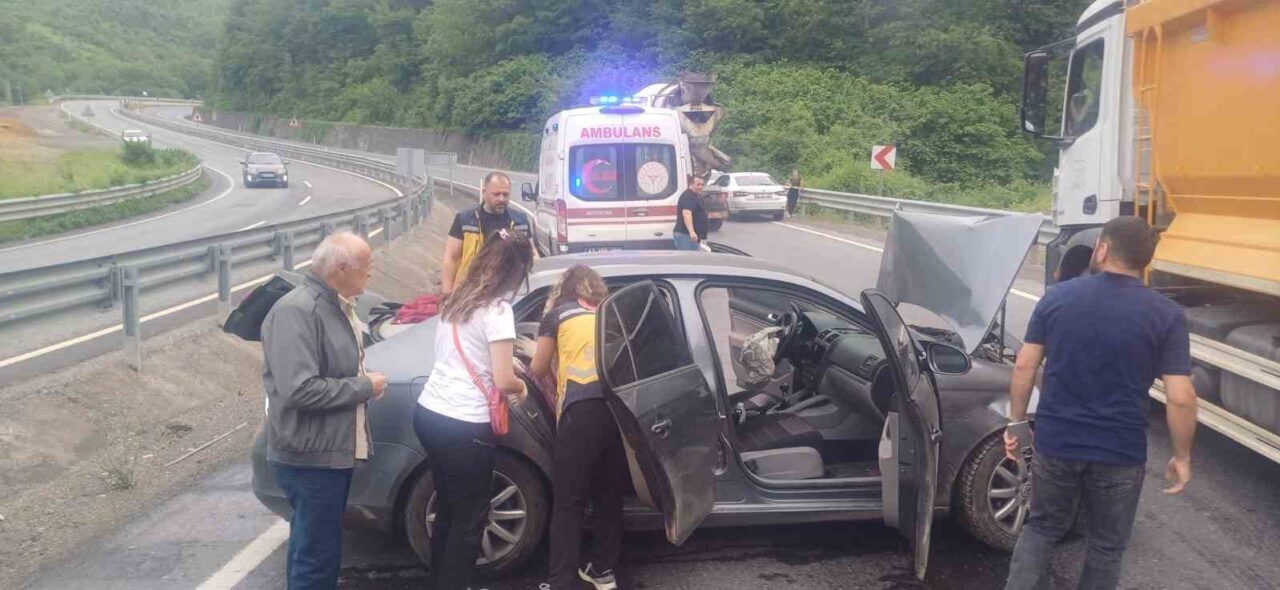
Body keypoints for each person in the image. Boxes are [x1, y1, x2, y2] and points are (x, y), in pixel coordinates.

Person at [1003, 216, 1198, 590]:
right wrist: (1182, 455)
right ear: (1145, 261)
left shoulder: (1058, 298)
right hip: (1120, 451)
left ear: (1103, 249)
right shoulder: (1166, 314)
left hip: (1057, 442)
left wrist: (1015, 423)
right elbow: (1181, 397)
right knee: (1107, 545)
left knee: (1042, 527)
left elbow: (1025, 366)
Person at [260, 231, 389, 590]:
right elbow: (299, 389)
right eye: (366, 267)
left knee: (313, 548)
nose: (370, 274)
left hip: (326, 452)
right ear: (342, 268)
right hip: (309, 457)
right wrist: (364, 387)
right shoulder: (298, 311)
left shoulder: (334, 304)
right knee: (316, 557)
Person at [415, 229, 534, 590]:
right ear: (515, 273)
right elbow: (501, 379)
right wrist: (522, 385)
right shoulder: (498, 311)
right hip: (465, 425)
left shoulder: (456, 301)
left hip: (430, 414)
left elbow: (460, 354)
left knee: (449, 508)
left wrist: (505, 365)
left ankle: (440, 580)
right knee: (469, 521)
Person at [530, 265, 624, 590]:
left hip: (579, 410)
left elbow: (539, 368)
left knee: (568, 500)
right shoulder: (609, 313)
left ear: (564, 289)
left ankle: (561, 582)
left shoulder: (557, 315)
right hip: (616, 410)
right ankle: (603, 571)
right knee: (609, 495)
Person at [441, 171, 537, 297]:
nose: (501, 199)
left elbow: (532, 255)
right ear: (484, 192)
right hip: (469, 293)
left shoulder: (520, 221)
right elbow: (451, 258)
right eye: (496, 194)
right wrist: (446, 294)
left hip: (508, 292)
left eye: (505, 194)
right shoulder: (464, 220)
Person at [673, 174, 708, 251]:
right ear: (691, 184)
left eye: (702, 185)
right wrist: (692, 232)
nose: (700, 187)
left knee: (693, 259)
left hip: (692, 236)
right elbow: (686, 213)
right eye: (698, 184)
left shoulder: (696, 196)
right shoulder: (688, 196)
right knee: (687, 259)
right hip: (685, 235)